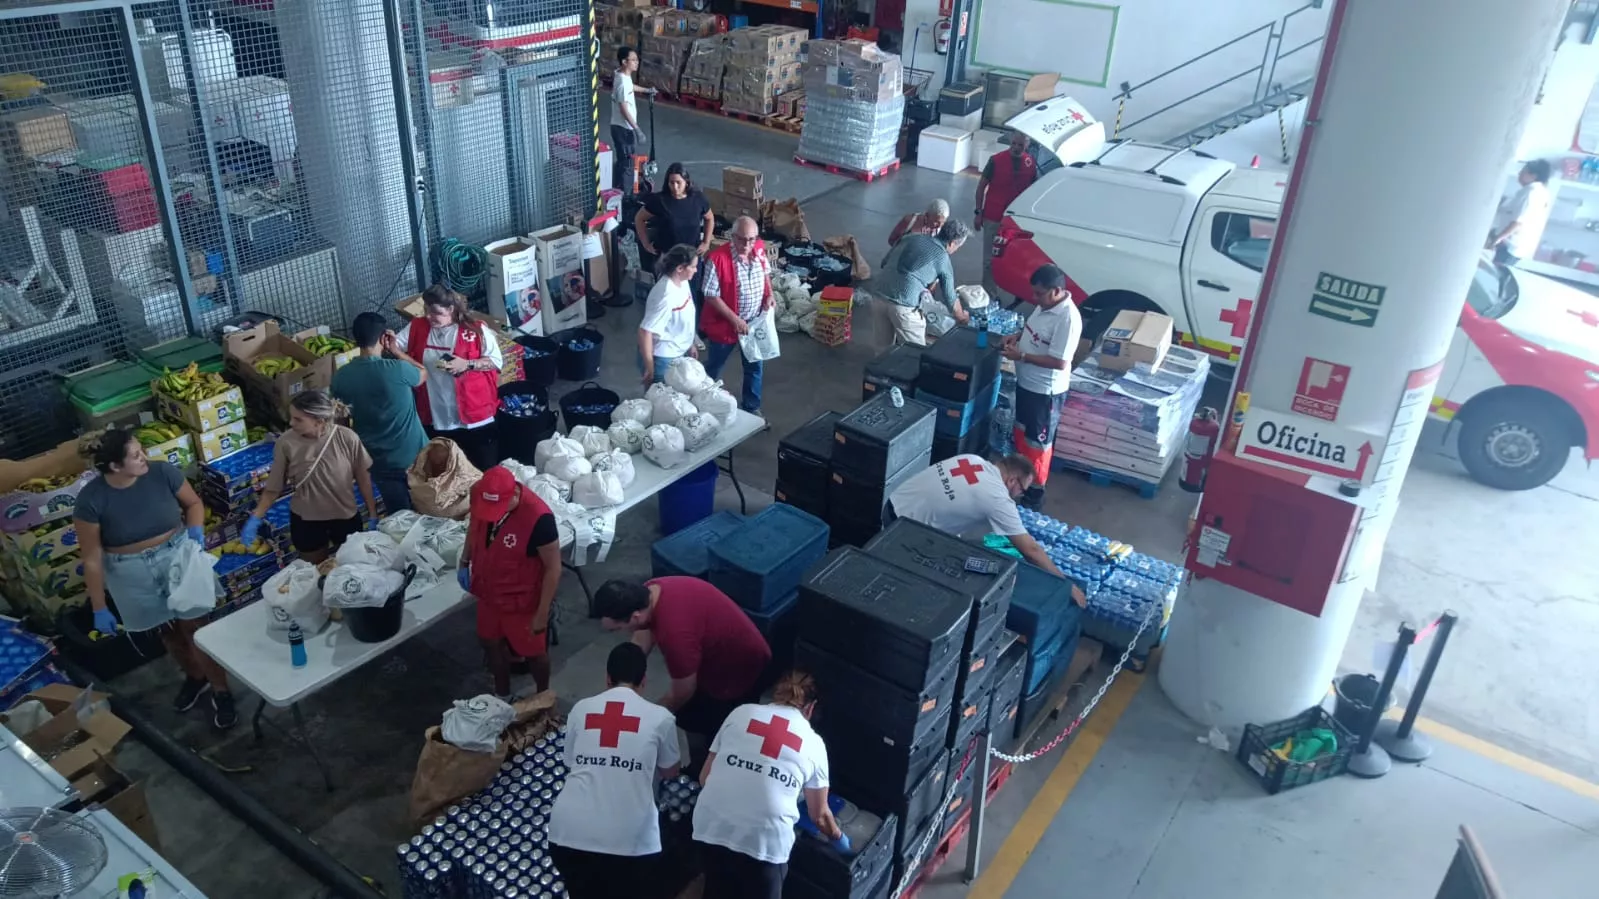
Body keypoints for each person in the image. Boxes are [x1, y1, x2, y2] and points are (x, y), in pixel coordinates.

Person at [74, 429, 237, 729]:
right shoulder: (91, 500)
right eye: (136, 455)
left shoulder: (163, 472)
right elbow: (92, 558)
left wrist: (196, 531)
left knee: (196, 627)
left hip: (177, 558)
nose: (144, 457)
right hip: (129, 572)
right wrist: (99, 606)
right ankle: (195, 676)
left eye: (142, 450)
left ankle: (221, 690)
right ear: (114, 466)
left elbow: (194, 504)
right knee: (168, 632)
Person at [593, 575, 772, 772]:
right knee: (692, 713)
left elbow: (684, 689)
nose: (620, 633)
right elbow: (643, 633)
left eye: (618, 628)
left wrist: (648, 717)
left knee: (713, 727)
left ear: (635, 616)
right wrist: (623, 683)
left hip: (738, 668)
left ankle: (704, 770)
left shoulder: (676, 636)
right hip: (713, 648)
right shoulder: (650, 591)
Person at [692, 671, 840, 899]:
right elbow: (819, 816)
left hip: (711, 827)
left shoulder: (740, 713)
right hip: (765, 845)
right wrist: (839, 838)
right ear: (811, 708)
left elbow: (705, 778)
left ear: (776, 695)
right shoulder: (813, 743)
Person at [548, 642, 680, 897]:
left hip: (567, 835)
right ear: (644, 681)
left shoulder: (581, 709)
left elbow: (572, 762)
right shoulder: (661, 718)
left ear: (607, 678)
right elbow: (670, 771)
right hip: (630, 844)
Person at [888, 453, 1086, 604]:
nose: (1019, 496)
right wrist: (1065, 585)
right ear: (1012, 481)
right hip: (902, 531)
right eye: (1022, 490)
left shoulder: (972, 459)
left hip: (892, 502)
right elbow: (1031, 551)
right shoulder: (996, 497)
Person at [458, 466, 560, 699]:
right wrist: (465, 561)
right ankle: (502, 695)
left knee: (533, 652)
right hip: (487, 593)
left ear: (514, 493)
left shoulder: (539, 518)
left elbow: (553, 568)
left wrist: (542, 612)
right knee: (490, 643)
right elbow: (474, 528)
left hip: (520, 601)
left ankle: (544, 695)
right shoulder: (480, 494)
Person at [243, 390, 377, 566]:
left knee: (353, 567)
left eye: (298, 419)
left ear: (319, 422)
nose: (291, 423)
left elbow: (363, 477)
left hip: (344, 516)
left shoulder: (346, 438)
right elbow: (274, 487)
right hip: (306, 519)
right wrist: (256, 517)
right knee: (315, 572)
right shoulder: (286, 443)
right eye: (291, 417)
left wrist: (372, 513)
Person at [394, 283, 503, 472]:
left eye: (435, 312)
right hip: (436, 418)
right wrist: (390, 343)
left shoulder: (475, 330)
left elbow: (495, 361)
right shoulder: (417, 327)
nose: (428, 316)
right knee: (446, 474)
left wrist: (468, 364)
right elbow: (395, 343)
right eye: (426, 310)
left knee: (482, 471)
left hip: (474, 418)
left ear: (451, 309)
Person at [330, 311, 429, 513]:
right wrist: (396, 351)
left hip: (377, 460)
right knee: (430, 509)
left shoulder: (341, 377)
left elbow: (340, 422)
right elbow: (422, 373)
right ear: (383, 337)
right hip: (415, 455)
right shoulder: (398, 369)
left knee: (401, 517)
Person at [1002, 264, 1082, 508]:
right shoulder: (1045, 305)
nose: (1034, 298)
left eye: (1039, 294)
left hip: (1045, 393)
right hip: (1027, 385)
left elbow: (1060, 361)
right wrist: (1017, 337)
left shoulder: (1067, 318)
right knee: (1022, 435)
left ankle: (1034, 494)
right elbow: (1033, 332)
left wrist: (1023, 357)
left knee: (1038, 445)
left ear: (1056, 291)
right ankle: (1018, 483)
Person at [700, 215, 773, 414]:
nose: (746, 244)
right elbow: (710, 295)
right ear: (732, 237)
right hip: (725, 327)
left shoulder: (758, 249)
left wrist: (769, 295)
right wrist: (735, 320)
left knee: (754, 368)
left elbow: (765, 274)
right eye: (741, 239)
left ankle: (752, 407)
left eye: (751, 239)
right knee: (714, 366)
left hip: (753, 324)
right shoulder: (717, 259)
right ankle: (700, 401)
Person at [868, 220, 971, 349]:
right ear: (952, 243)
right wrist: (962, 317)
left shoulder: (910, 237)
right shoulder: (942, 258)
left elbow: (884, 263)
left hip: (879, 295)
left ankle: (881, 368)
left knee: (882, 350)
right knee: (914, 353)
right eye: (957, 247)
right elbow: (950, 298)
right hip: (904, 305)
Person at [974, 131, 1039, 302]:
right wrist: (978, 212)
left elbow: (1033, 191)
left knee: (1015, 259)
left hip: (1015, 221)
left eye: (1021, 145)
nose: (1016, 148)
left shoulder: (1030, 164)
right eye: (1014, 144)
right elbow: (981, 187)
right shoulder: (995, 161)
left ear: (1027, 147)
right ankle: (990, 293)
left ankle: (1015, 291)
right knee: (988, 258)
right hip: (993, 216)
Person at [634, 162, 714, 282]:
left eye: (678, 183)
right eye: (672, 183)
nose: (675, 187)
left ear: (686, 182)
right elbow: (639, 218)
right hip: (667, 259)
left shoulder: (698, 199)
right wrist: (645, 244)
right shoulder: (660, 201)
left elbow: (709, 218)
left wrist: (706, 242)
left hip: (691, 259)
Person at [638, 244, 700, 385]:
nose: (696, 270)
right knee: (662, 403)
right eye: (693, 267)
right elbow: (645, 331)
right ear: (680, 268)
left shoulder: (682, 281)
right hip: (663, 360)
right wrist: (650, 367)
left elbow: (685, 315)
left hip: (678, 351)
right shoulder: (666, 295)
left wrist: (690, 344)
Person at [1488, 159, 1551, 269]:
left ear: (1533, 175)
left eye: (1523, 171)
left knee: (1495, 272)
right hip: (1515, 244)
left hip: (1510, 245)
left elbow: (1518, 222)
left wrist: (1497, 239)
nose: (1519, 174)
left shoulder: (1531, 193)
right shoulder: (1539, 191)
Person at [610, 47, 655, 194]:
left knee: (624, 161)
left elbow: (631, 87)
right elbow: (623, 109)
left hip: (621, 127)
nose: (637, 62)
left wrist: (646, 90)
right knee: (628, 163)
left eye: (637, 59)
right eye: (633, 60)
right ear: (624, 62)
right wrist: (637, 129)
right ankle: (624, 195)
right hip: (623, 129)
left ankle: (618, 189)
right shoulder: (622, 83)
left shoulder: (622, 76)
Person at [885, 198, 950, 257]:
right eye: (936, 222)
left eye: (943, 222)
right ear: (927, 215)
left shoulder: (943, 230)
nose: (939, 225)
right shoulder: (910, 221)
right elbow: (892, 240)